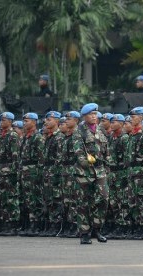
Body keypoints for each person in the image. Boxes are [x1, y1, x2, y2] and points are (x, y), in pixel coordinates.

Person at [73, 103, 110, 245]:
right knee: (84, 203)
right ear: (85, 116)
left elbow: (106, 150)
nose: (94, 117)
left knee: (103, 198)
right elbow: (78, 152)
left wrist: (107, 166)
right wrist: (86, 161)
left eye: (96, 114)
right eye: (91, 115)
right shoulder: (79, 131)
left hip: (100, 171)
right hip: (85, 172)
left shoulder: (100, 130)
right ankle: (84, 233)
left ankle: (97, 228)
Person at [126, 107, 143, 239]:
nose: (131, 119)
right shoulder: (132, 135)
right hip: (131, 173)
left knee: (142, 201)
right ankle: (137, 225)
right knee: (133, 201)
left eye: (134, 116)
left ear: (141, 118)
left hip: (141, 173)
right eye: (131, 116)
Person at [18, 113, 45, 237]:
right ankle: (30, 223)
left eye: (27, 121)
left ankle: (36, 225)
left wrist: (39, 174)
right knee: (28, 198)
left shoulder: (37, 137)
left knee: (35, 198)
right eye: (23, 121)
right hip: (25, 171)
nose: (24, 123)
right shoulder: (26, 137)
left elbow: (41, 158)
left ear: (34, 122)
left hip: (34, 171)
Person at [41, 111, 65, 237]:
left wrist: (56, 174)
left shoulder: (59, 137)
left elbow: (59, 158)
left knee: (56, 199)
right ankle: (51, 224)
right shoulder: (49, 137)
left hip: (55, 173)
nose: (46, 122)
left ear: (56, 121)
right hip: (48, 172)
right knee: (48, 199)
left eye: (49, 119)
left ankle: (57, 225)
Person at [0, 112, 21, 236]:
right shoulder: (2, 135)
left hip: (10, 171)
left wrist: (14, 172)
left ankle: (13, 225)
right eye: (1, 119)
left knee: (12, 198)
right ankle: (5, 224)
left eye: (4, 120)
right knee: (4, 198)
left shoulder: (13, 136)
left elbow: (15, 156)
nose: (2, 121)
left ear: (10, 122)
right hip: (1, 171)